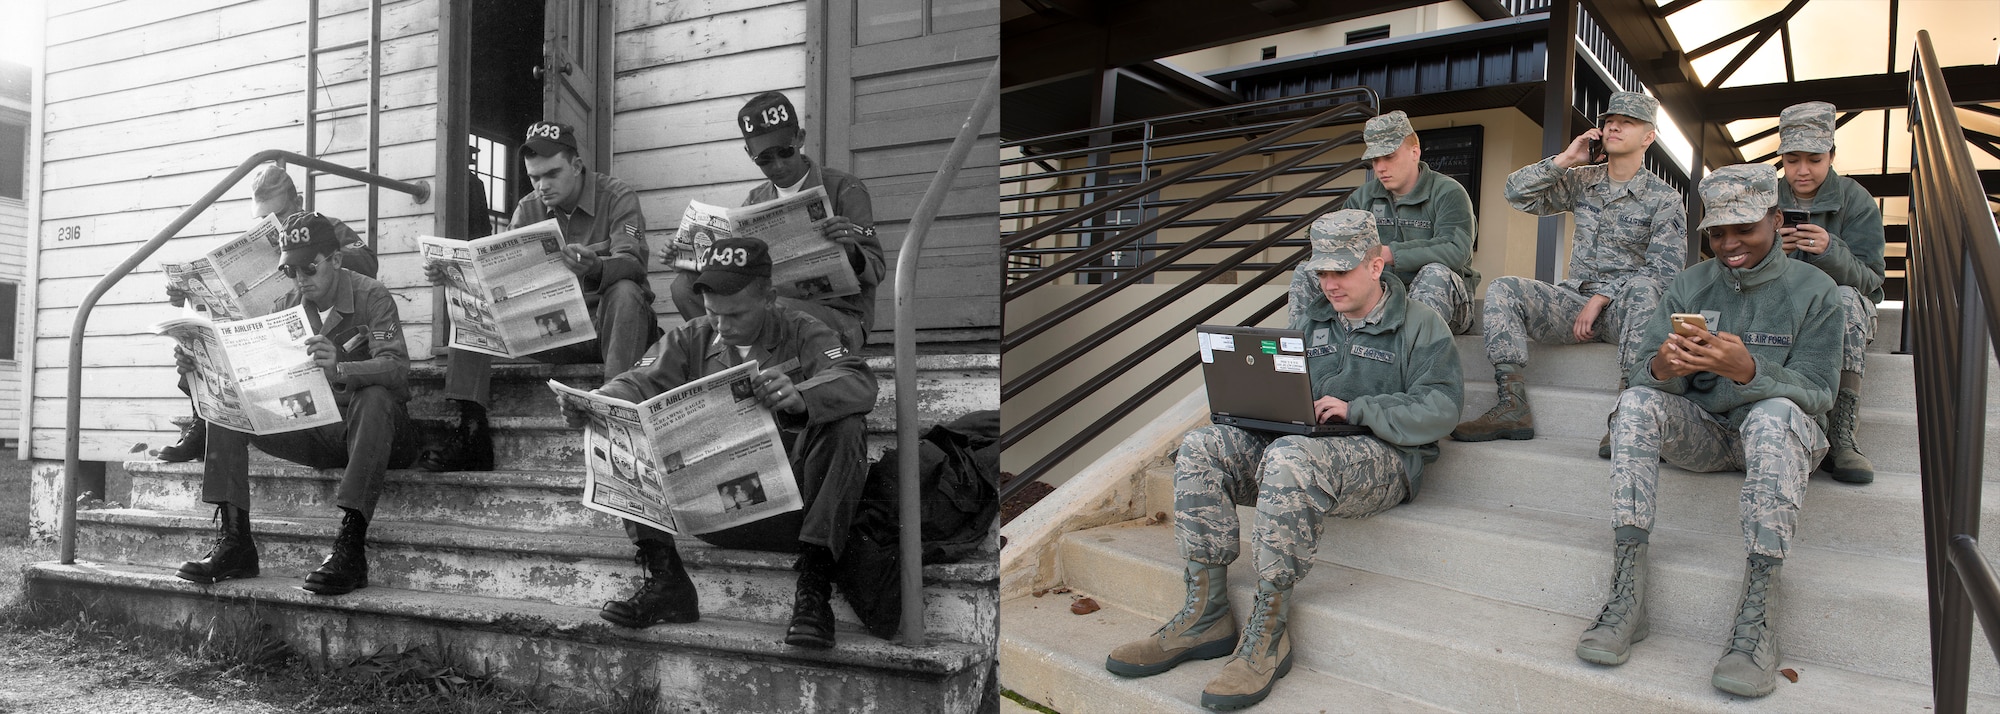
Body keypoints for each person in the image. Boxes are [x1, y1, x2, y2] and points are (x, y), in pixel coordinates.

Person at [1103, 210, 1463, 710]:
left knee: (1292, 458)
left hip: (1386, 457)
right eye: (1323, 271)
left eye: (1342, 270)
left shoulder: (1421, 325)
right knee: (1203, 446)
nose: (1330, 283)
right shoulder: (1313, 318)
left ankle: (1269, 632)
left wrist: (1359, 408)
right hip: (1301, 444)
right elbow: (1289, 392)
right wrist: (1256, 407)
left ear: (1376, 265)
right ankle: (1205, 614)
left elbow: (1442, 407)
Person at [1577, 164, 1840, 697]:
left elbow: (1818, 394)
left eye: (1744, 228)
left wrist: (1751, 373)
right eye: (1717, 232)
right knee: (1634, 404)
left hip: (1777, 441)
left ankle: (1757, 612)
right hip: (1708, 434)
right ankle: (1628, 590)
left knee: (1775, 414)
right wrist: (1662, 370)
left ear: (1775, 218)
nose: (1729, 243)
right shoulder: (1690, 285)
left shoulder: (1815, 290)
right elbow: (1639, 372)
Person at [563, 237, 878, 649]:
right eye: (713, 313)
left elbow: (858, 380)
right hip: (715, 512)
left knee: (845, 425)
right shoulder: (691, 338)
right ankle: (666, 581)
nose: (722, 326)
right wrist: (596, 403)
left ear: (768, 297)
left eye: (736, 314)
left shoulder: (805, 331)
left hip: (794, 512)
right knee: (620, 426)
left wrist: (804, 398)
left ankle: (814, 589)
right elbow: (636, 382)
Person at [173, 212, 422, 595]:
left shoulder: (372, 295)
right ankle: (236, 541)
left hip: (379, 434)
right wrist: (198, 372)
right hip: (315, 427)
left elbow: (397, 370)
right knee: (229, 411)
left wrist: (341, 366)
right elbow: (257, 385)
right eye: (290, 271)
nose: (301, 280)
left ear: (336, 260)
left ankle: (350, 546)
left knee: (374, 398)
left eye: (309, 268)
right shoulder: (285, 306)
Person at [1454, 91, 1686, 457]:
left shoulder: (1664, 198)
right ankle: (1512, 404)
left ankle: (1630, 416)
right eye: (1610, 121)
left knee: (1643, 290)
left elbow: (1665, 273)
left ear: (1648, 137)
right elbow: (1517, 195)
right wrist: (1565, 159)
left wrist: (1604, 295)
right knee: (1504, 288)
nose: (1614, 127)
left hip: (1625, 307)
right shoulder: (1582, 180)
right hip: (1572, 302)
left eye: (1627, 122)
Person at [421, 121, 662, 472]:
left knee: (626, 291)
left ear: (577, 166)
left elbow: (634, 264)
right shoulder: (528, 208)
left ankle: (615, 418)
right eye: (534, 178)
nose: (542, 186)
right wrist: (456, 276)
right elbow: (498, 276)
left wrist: (596, 267)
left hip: (612, 328)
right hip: (556, 330)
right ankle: (472, 430)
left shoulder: (617, 196)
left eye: (552, 174)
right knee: (472, 304)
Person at [158, 163, 380, 462]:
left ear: (299, 203)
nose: (273, 223)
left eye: (280, 215)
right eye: (264, 218)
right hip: (264, 324)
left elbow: (368, 263)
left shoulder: (327, 227)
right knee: (205, 339)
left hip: (304, 329)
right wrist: (189, 297)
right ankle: (203, 421)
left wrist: (304, 256)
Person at [666, 92, 883, 351]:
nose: (778, 165)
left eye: (785, 152)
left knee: (769, 307)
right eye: (765, 159)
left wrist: (850, 249)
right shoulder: (754, 201)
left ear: (800, 138)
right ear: (750, 154)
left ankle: (736, 357)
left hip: (840, 316)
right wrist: (688, 258)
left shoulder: (844, 188)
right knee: (683, 287)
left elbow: (877, 270)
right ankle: (729, 358)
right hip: (774, 308)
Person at [1287, 110, 1479, 334]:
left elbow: (1456, 250)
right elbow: (1336, 246)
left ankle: (1409, 356)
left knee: (1435, 273)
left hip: (1443, 298)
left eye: (1389, 157)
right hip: (1381, 294)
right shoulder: (1363, 197)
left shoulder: (1448, 192)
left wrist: (1390, 253)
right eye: (1375, 160)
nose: (1380, 168)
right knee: (1306, 272)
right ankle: (1296, 352)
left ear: (1415, 152)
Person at [1774, 101, 1886, 484]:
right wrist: (1774, 253)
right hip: (1780, 301)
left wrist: (1831, 250)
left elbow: (1872, 280)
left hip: (1837, 305)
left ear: (1832, 156)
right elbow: (1731, 264)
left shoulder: (1856, 200)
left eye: (1814, 159)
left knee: (1846, 300)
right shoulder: (1764, 198)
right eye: (1792, 159)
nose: (1802, 170)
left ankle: (1841, 433)